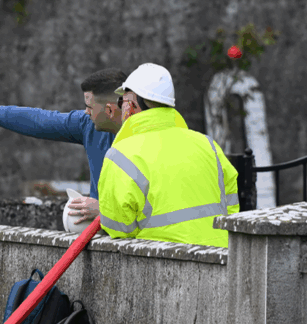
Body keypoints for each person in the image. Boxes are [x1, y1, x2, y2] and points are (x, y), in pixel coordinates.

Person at [0, 68, 127, 225]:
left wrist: (103, 210)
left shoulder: (149, 138)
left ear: (109, 110)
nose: (85, 112)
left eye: (90, 108)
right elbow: (38, 120)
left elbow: (151, 206)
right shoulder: (88, 125)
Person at [98, 63, 240, 248]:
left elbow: (118, 229)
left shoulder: (120, 155)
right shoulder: (208, 145)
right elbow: (231, 207)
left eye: (121, 102)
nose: (120, 109)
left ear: (131, 106)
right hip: (221, 259)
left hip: (159, 266)